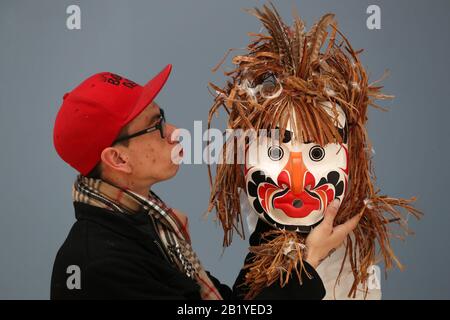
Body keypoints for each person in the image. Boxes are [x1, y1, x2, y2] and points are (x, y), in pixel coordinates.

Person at [51, 64, 360, 300]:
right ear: (117, 159)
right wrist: (309, 262)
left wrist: (271, 228)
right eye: (155, 126)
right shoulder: (103, 267)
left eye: (163, 116)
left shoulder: (150, 229)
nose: (174, 131)